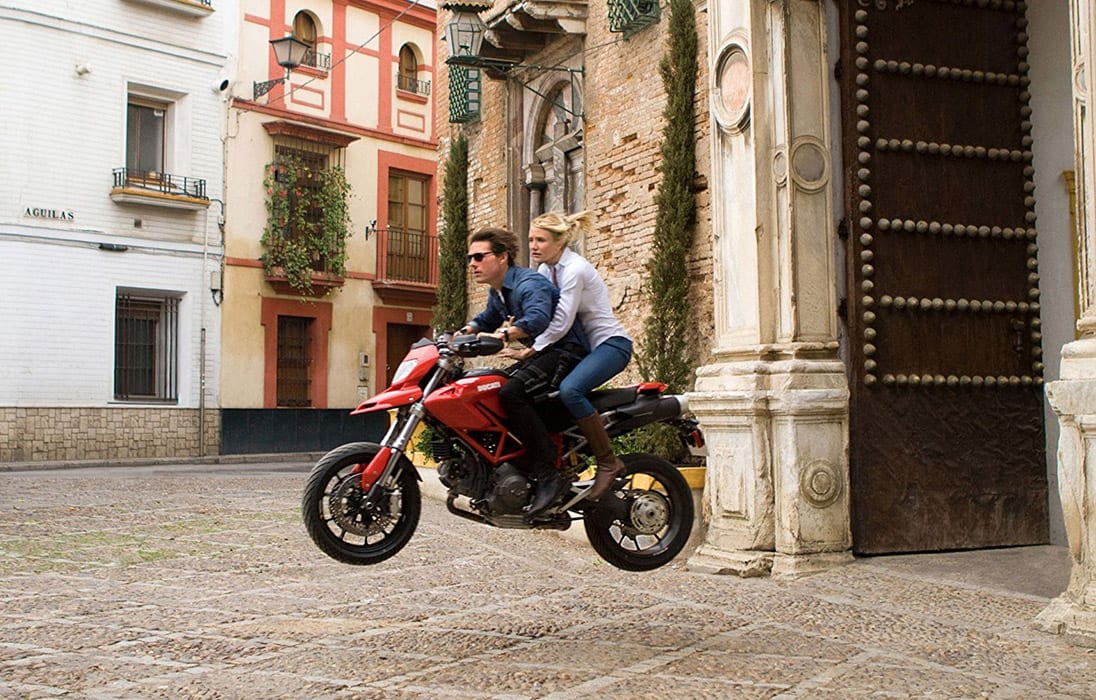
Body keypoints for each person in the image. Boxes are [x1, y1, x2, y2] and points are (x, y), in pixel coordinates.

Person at [502, 211, 633, 501]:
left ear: (559, 242)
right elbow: (543, 313)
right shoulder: (545, 270)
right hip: (585, 348)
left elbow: (562, 321)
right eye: (531, 240)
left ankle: (608, 462)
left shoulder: (575, 269)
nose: (533, 246)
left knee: (570, 390)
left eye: (540, 240)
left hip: (610, 345)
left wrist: (533, 349)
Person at [460, 227, 588, 516]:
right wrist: (464, 332)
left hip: (565, 351)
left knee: (511, 393)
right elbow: (487, 317)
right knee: (492, 387)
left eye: (479, 257)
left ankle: (548, 473)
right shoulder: (499, 291)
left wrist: (502, 335)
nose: (472, 264)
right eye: (470, 258)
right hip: (544, 353)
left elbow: (538, 318)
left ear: (502, 257)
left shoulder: (528, 284)